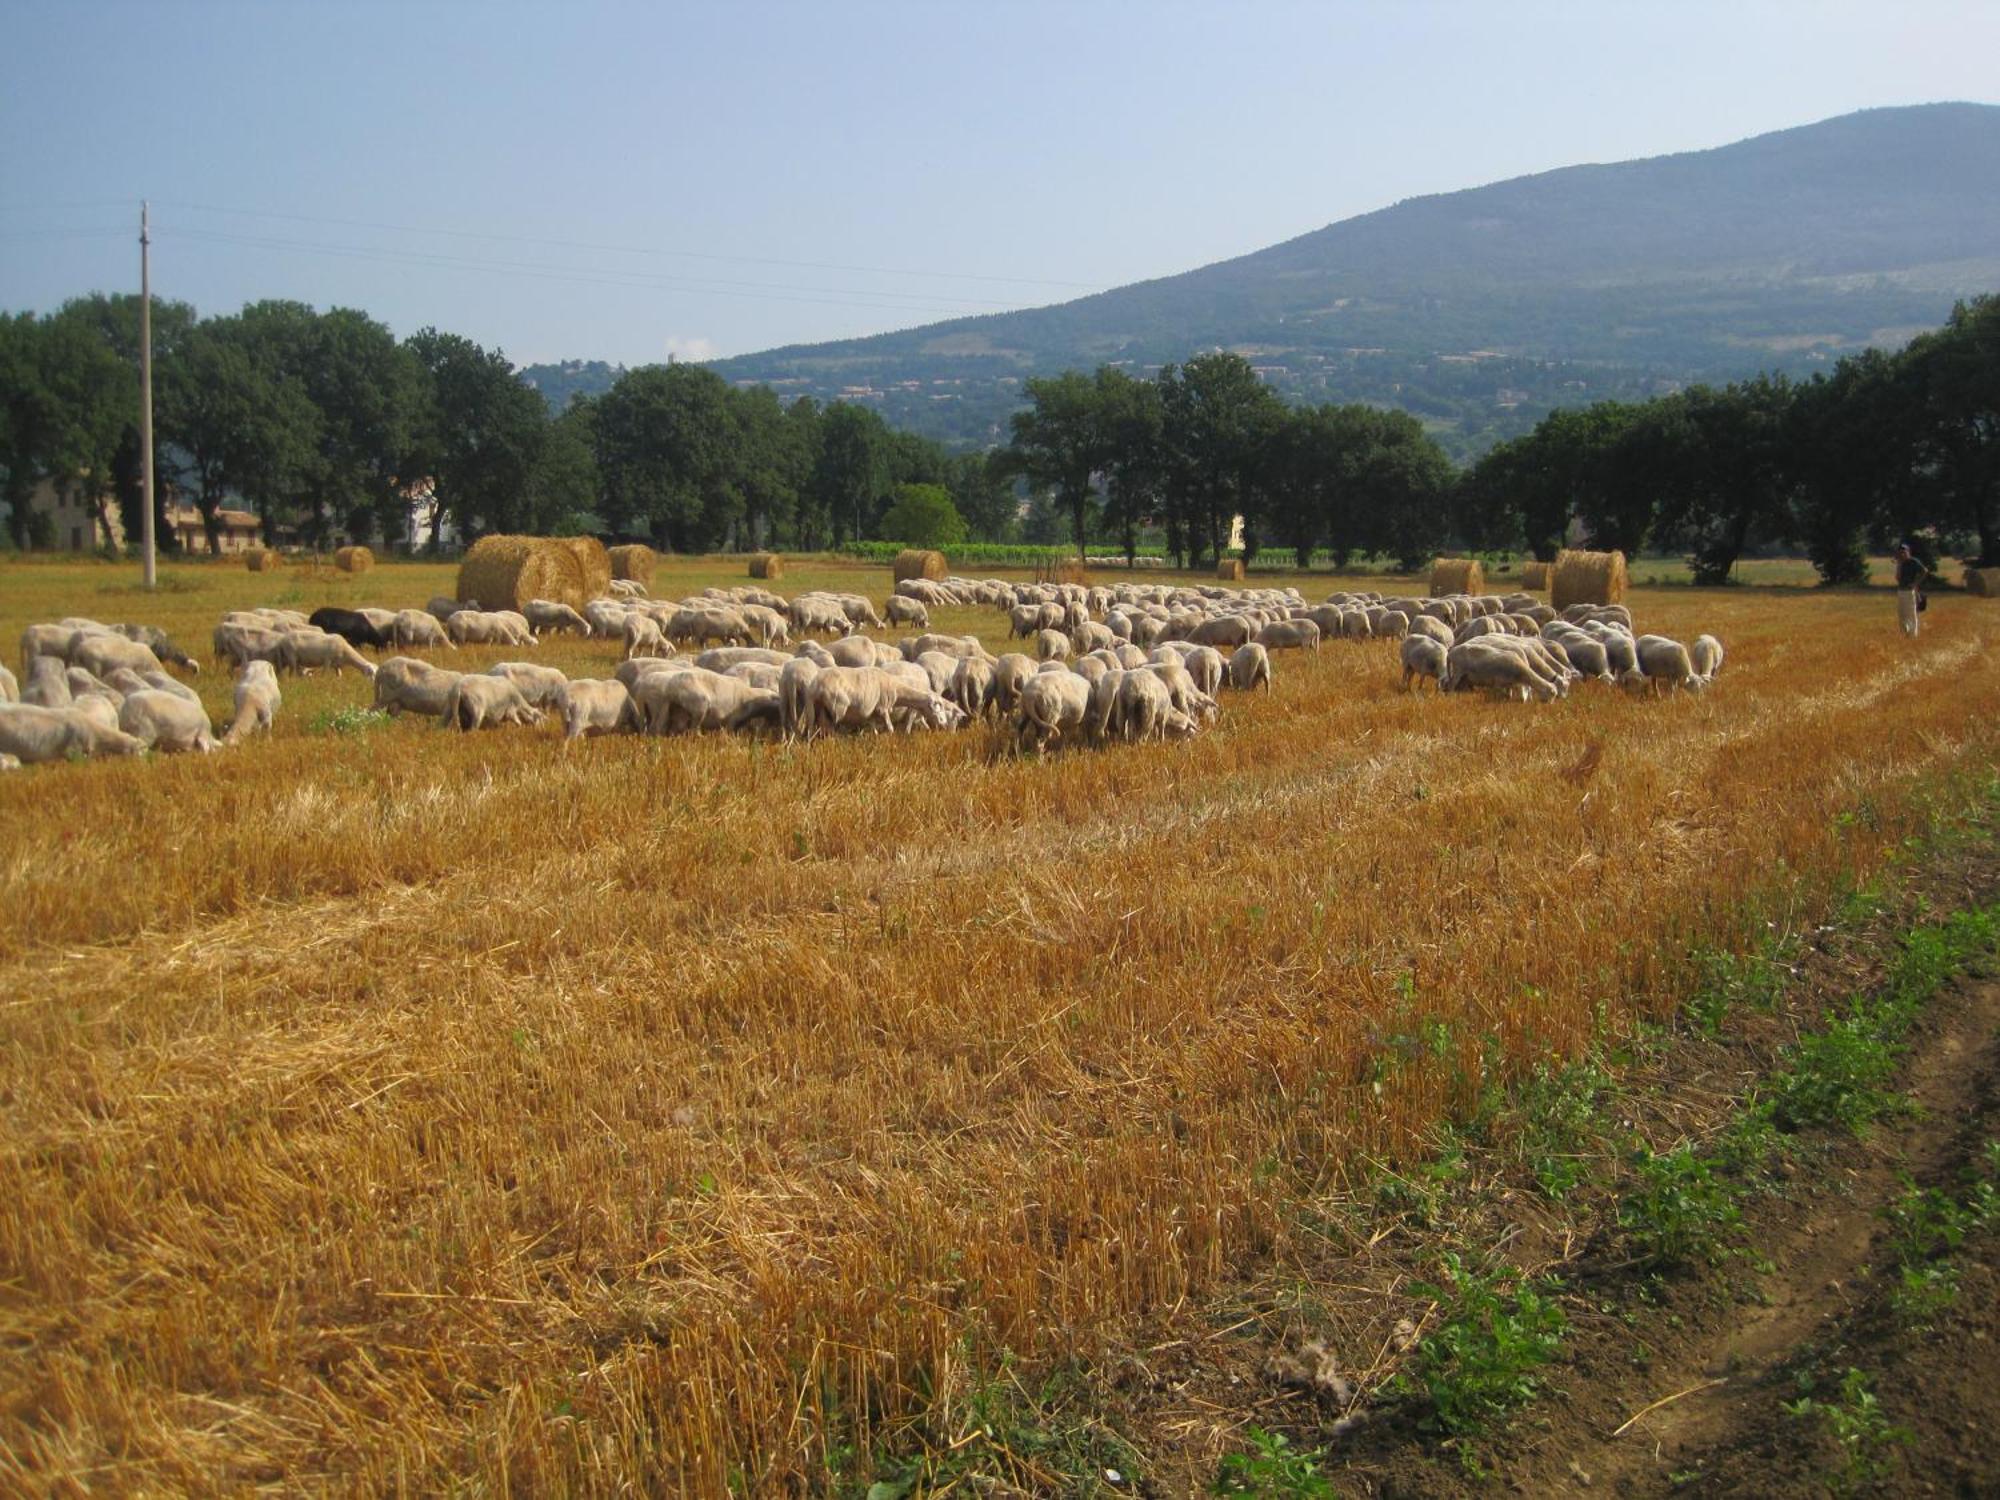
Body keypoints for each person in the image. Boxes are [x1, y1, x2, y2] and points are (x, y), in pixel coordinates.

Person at [1894, 543, 1928, 638]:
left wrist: (1915, 583)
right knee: (1901, 613)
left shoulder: (1914, 561)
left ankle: (1913, 635)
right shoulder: (1900, 563)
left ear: (1908, 552)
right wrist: (1899, 565)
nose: (1902, 554)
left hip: (1909, 591)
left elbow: (1924, 571)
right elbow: (1897, 578)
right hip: (1901, 590)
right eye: (1900, 552)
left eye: (1904, 552)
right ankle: (1905, 632)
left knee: (1911, 613)